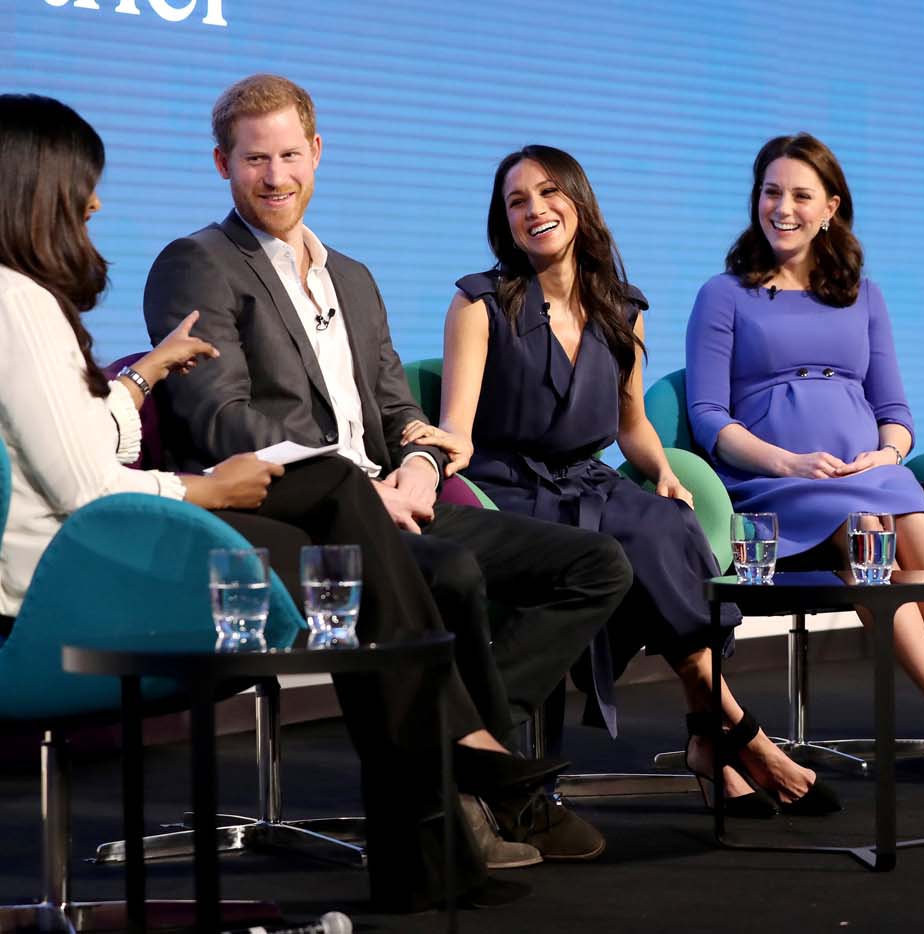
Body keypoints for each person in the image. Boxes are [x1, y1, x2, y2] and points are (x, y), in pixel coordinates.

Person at [0, 92, 553, 912]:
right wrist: (203, 487)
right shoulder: (18, 301)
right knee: (351, 522)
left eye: (291, 155)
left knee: (349, 545)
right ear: (33, 185)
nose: (96, 200)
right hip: (66, 585)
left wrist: (140, 378)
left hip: (94, 549)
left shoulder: (23, 300)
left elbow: (84, 441)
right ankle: (451, 773)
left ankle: (443, 821)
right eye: (85, 180)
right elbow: (85, 486)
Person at [141, 75, 631, 859]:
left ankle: (466, 766)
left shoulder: (354, 277)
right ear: (221, 164)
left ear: (318, 152)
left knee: (598, 566)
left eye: (290, 155)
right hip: (288, 514)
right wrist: (359, 485)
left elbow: (400, 407)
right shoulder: (198, 263)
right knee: (453, 574)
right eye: (255, 159)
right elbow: (217, 413)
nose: (276, 176)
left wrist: (417, 469)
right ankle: (488, 793)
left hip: (394, 500)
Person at [402, 145, 837, 817]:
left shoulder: (622, 309)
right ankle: (740, 737)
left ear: (578, 201)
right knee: (640, 548)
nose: (535, 210)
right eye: (517, 202)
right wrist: (435, 451)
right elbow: (458, 425)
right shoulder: (479, 303)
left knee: (667, 524)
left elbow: (632, 425)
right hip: (508, 487)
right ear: (505, 221)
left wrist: (662, 469)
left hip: (586, 480)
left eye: (548, 194)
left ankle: (713, 740)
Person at [685, 133, 924, 784]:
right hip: (774, 485)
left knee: (918, 527)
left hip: (864, 475)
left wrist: (882, 459)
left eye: (801, 195)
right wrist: (786, 463)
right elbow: (707, 418)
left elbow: (897, 414)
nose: (783, 207)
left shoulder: (864, 295)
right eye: (771, 192)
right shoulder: (723, 295)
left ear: (831, 207)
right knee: (872, 533)